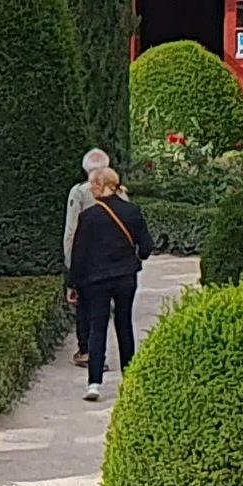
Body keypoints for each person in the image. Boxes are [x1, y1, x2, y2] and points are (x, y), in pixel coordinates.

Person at [65, 166, 152, 403]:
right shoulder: (131, 211)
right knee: (124, 323)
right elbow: (147, 246)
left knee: (97, 327)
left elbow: (79, 254)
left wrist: (73, 285)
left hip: (96, 280)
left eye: (93, 186)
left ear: (99, 187)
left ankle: (94, 383)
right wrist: (134, 258)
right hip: (125, 277)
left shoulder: (89, 217)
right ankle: (130, 378)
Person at [57, 150, 114, 355]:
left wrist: (70, 264)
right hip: (113, 260)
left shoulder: (79, 192)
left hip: (87, 259)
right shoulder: (118, 191)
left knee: (85, 306)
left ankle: (85, 350)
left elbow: (71, 231)